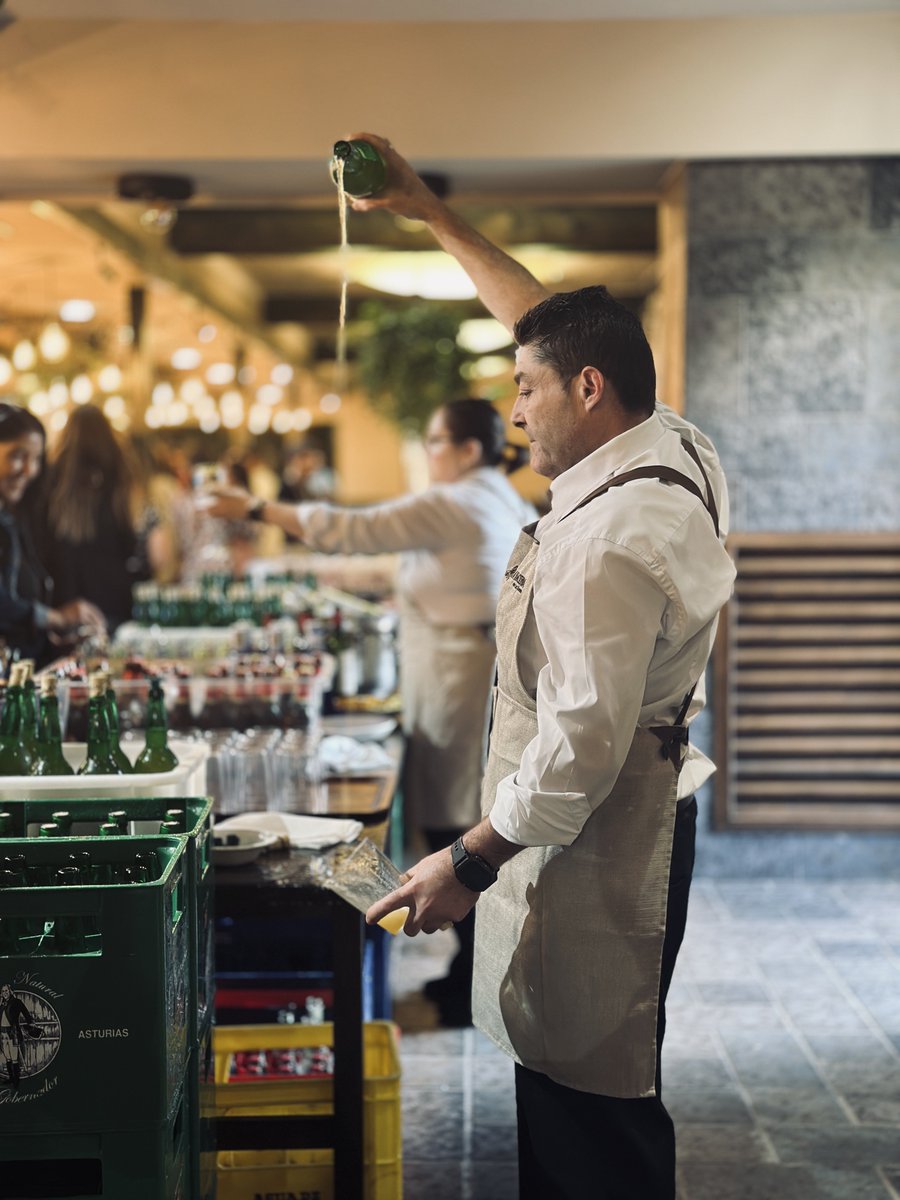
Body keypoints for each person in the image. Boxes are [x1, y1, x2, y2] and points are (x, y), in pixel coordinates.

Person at [354, 134, 737, 1199]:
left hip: (603, 825)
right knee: (576, 1070)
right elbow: (544, 318)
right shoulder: (671, 442)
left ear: (588, 387)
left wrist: (465, 864)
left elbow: (575, 753)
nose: (514, 412)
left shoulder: (607, 537)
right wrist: (430, 212)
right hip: (631, 806)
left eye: (527, 390)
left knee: (589, 1091)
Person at [202, 397, 536, 1026]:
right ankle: (474, 965)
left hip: (458, 674)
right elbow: (388, 554)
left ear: (467, 450)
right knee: (464, 805)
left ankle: (473, 968)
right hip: (467, 666)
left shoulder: (455, 499)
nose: (427, 454)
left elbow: (352, 528)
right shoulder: (493, 493)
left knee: (455, 814)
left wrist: (253, 508)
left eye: (433, 442)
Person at [0, 402, 105, 666]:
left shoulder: (12, 518)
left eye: (36, 459)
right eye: (17, 455)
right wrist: (56, 618)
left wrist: (51, 640)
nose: (30, 471)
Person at [41, 404, 145, 633]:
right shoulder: (120, 475)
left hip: (68, 600)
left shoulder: (54, 478)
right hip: (116, 598)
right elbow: (130, 541)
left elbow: (48, 546)